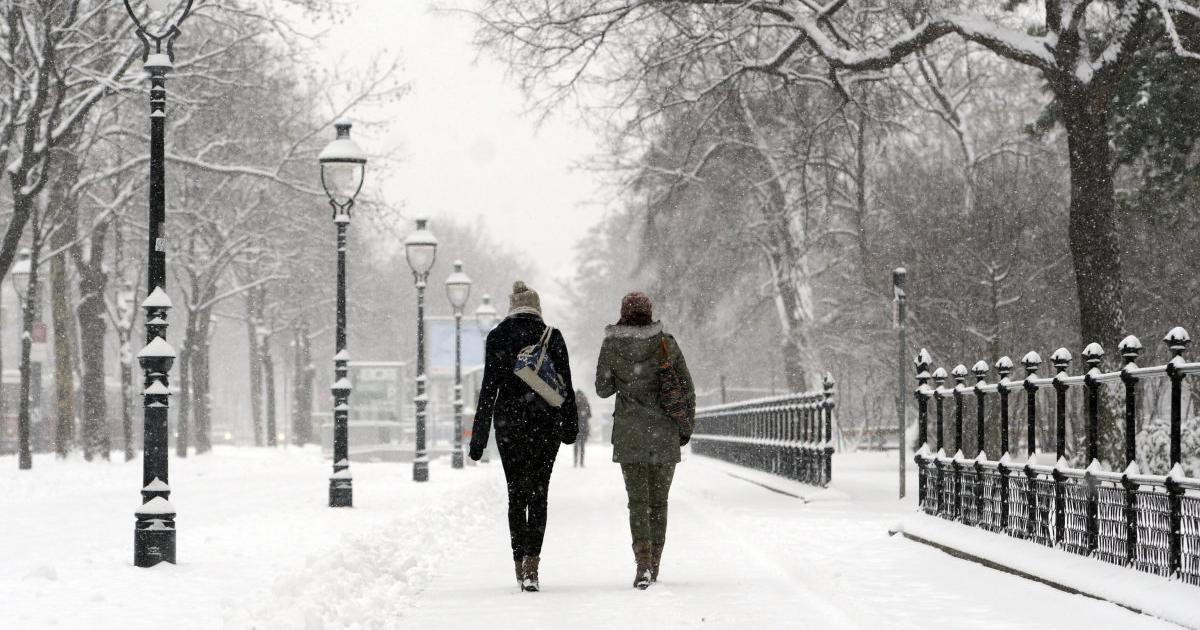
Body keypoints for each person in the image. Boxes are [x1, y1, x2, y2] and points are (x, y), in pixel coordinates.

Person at [469, 281, 578, 592]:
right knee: (539, 493)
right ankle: (533, 562)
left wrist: (479, 439)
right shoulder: (552, 337)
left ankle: (519, 563)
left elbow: (488, 389)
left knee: (516, 495)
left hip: (510, 427)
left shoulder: (497, 336)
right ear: (538, 307)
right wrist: (570, 426)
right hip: (545, 426)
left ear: (511, 306)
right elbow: (565, 386)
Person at [595, 291, 694, 589]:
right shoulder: (666, 343)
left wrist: (624, 379)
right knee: (659, 502)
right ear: (649, 312)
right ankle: (655, 563)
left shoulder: (612, 344)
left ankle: (642, 564)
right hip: (664, 433)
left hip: (630, 435)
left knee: (638, 502)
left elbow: (602, 388)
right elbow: (686, 388)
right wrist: (686, 426)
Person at [574, 389, 591, 467]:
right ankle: (579, 462)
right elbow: (590, 415)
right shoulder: (584, 403)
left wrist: (584, 413)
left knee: (578, 446)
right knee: (579, 446)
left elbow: (589, 415)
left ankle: (579, 462)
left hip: (579, 427)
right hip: (581, 427)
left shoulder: (575, 403)